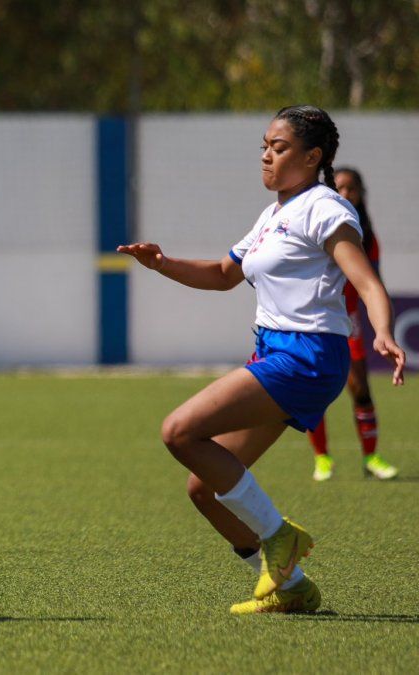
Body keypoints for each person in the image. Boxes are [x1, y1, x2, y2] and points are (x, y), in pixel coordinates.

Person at [118, 105, 406, 615]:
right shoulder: (275, 214)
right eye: (264, 147)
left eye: (279, 148)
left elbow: (365, 281)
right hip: (277, 353)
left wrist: (383, 330)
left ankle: (279, 536)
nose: (266, 157)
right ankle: (290, 586)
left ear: (312, 156)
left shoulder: (325, 207)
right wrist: (161, 264)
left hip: (309, 356)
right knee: (204, 489)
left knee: (179, 431)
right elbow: (224, 273)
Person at [306, 167, 399, 481]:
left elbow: (372, 282)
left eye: (351, 189)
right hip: (315, 318)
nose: (345, 194)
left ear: (360, 194)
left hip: (347, 320)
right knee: (314, 390)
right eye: (339, 188)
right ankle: (322, 458)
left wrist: (383, 327)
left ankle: (371, 457)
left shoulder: (365, 234)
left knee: (360, 388)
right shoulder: (315, 224)